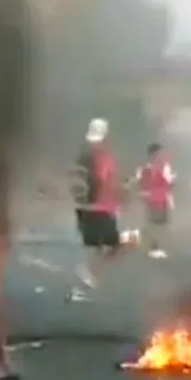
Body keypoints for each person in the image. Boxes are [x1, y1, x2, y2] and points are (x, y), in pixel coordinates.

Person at [68, 117, 121, 301]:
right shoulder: (103, 158)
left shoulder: (83, 156)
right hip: (100, 208)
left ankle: (86, 279)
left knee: (100, 246)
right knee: (112, 246)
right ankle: (85, 278)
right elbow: (107, 182)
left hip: (86, 208)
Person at [135, 142, 175, 259]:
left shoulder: (147, 167)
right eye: (159, 152)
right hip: (158, 199)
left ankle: (154, 247)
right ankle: (154, 248)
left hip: (154, 199)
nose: (161, 155)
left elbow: (140, 183)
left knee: (155, 224)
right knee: (157, 224)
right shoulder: (161, 167)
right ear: (155, 154)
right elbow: (168, 183)